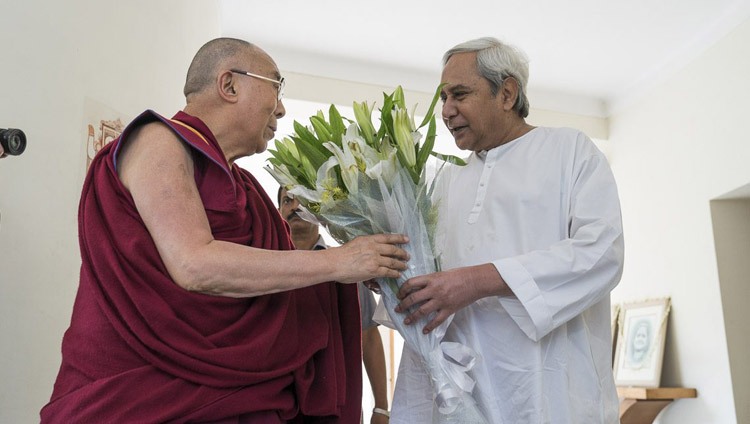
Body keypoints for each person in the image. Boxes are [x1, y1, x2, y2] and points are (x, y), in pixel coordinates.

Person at [41, 37, 409, 423]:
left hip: (235, 397)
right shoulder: (158, 141)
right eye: (276, 86)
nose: (281, 109)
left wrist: (355, 271)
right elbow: (195, 265)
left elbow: (274, 286)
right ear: (229, 85)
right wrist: (339, 263)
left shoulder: (247, 188)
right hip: (139, 395)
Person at [388, 37, 624, 423]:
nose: (446, 111)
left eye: (459, 94)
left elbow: (602, 253)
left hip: (551, 391)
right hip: (465, 395)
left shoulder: (571, 151)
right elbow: (430, 281)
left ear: (507, 93)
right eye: (443, 97)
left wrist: (480, 280)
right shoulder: (446, 181)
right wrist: (392, 273)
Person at [278, 187, 391, 424]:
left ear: (320, 211)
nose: (295, 207)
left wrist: (381, 408)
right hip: (279, 403)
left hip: (337, 405)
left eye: (304, 200)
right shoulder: (265, 269)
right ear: (278, 210)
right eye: (287, 201)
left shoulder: (347, 267)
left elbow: (368, 336)